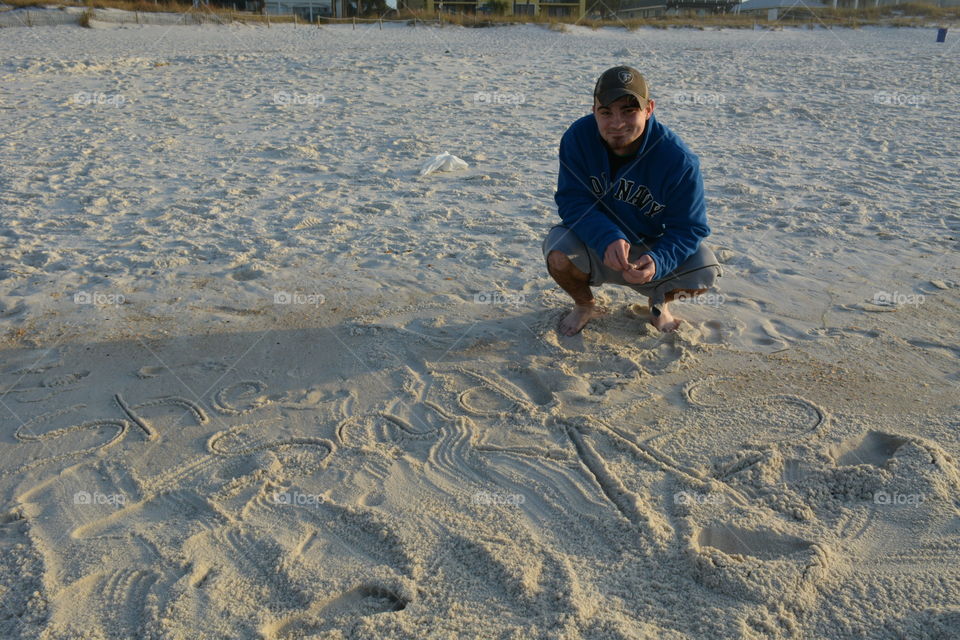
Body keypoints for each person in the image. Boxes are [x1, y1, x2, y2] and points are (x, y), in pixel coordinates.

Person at [543, 66, 722, 336]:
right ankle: (584, 305)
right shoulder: (578, 138)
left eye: (629, 111)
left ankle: (659, 303)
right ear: (594, 111)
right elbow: (572, 201)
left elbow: (690, 228)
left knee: (705, 269)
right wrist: (606, 236)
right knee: (556, 250)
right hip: (596, 242)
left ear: (649, 109)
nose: (617, 123)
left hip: (649, 246)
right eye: (606, 112)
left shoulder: (678, 160)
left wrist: (658, 259)